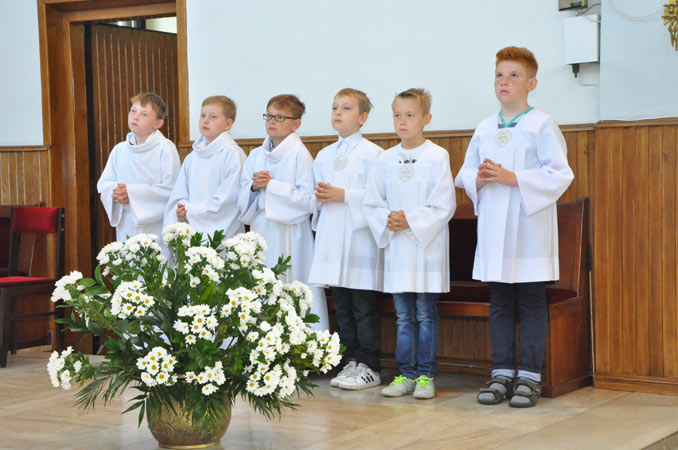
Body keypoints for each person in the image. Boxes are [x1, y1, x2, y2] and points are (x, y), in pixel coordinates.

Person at [455, 46, 574, 408]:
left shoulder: (541, 124)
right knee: (500, 301)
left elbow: (560, 174)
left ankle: (530, 377)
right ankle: (501, 373)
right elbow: (464, 173)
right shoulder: (484, 127)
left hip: (528, 228)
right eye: (499, 75)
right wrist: (479, 177)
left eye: (513, 76)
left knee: (531, 300)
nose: (504, 82)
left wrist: (513, 178)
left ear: (531, 84)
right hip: (494, 227)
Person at [363, 88, 456, 399]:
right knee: (403, 316)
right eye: (397, 115)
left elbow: (443, 203)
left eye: (410, 115)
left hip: (426, 249)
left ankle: (426, 375)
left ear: (426, 119)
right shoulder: (385, 159)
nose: (402, 121)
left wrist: (411, 220)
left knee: (425, 314)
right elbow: (372, 202)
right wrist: (388, 219)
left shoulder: (437, 156)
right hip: (398, 248)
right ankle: (405, 374)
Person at [309, 88, 384, 390]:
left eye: (346, 108)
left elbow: (379, 197)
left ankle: (369, 364)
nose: (338, 113)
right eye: (334, 107)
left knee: (363, 306)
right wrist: (320, 198)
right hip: (332, 236)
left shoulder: (373, 154)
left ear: (363, 117)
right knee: (342, 306)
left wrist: (345, 195)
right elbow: (314, 195)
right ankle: (350, 360)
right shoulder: (325, 155)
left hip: (359, 238)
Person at [237, 94, 329, 331]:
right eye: (269, 115)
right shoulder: (256, 155)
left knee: (293, 287)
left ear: (296, 123)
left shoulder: (299, 154)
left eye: (279, 117)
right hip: (262, 229)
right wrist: (253, 187)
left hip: (291, 232)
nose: (271, 121)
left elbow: (308, 200)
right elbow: (242, 196)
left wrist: (272, 186)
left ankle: (300, 341)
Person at [97, 92, 180, 242]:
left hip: (155, 226)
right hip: (126, 223)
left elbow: (171, 190)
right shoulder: (119, 150)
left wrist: (132, 193)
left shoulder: (165, 148)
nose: (135, 117)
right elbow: (104, 184)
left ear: (158, 123)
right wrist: (116, 193)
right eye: (133, 111)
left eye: (144, 114)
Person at [164, 95, 246, 239]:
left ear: (228, 124)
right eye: (203, 115)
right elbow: (179, 193)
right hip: (191, 227)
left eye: (213, 117)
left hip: (223, 234)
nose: (205, 120)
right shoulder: (192, 157)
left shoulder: (232, 155)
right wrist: (181, 208)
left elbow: (229, 200)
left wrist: (190, 210)